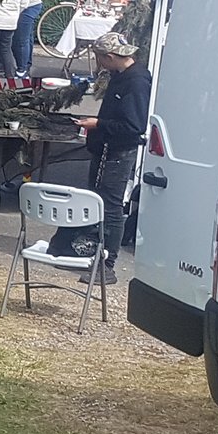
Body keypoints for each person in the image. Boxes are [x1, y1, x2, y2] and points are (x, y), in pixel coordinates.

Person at [73, 31, 152, 286]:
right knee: (98, 201)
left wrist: (97, 124)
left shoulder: (136, 81)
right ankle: (93, 251)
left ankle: (108, 265)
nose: (98, 64)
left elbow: (133, 126)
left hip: (119, 152)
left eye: (99, 59)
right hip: (105, 148)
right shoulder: (119, 75)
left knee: (111, 206)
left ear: (109, 56)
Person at [10, 0, 48, 78]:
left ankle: (21, 71)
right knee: (28, 38)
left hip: (28, 6)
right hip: (34, 5)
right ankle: (27, 65)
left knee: (21, 40)